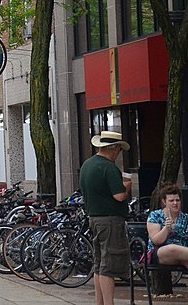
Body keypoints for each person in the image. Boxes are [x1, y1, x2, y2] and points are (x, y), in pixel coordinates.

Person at [80, 130, 132, 305]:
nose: (119, 154)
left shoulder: (87, 165)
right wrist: (126, 187)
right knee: (108, 266)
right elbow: (119, 196)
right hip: (110, 221)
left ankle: (99, 302)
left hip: (93, 218)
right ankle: (109, 303)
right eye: (119, 150)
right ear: (113, 148)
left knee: (98, 263)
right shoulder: (109, 167)